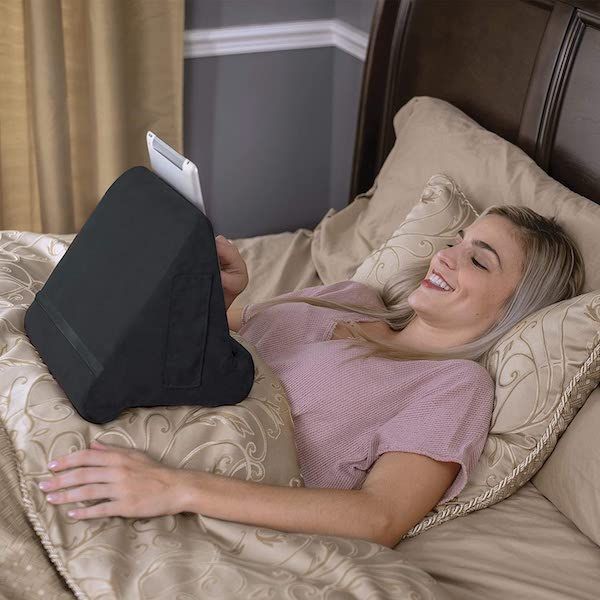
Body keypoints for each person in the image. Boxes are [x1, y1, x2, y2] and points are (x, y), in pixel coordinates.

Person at [38, 205, 584, 549]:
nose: (446, 257)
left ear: (517, 307)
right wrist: (218, 293)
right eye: (457, 241)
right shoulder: (355, 297)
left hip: (177, 468)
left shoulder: (453, 387)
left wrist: (172, 486)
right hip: (131, 402)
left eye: (479, 261)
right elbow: (200, 338)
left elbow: (380, 516)